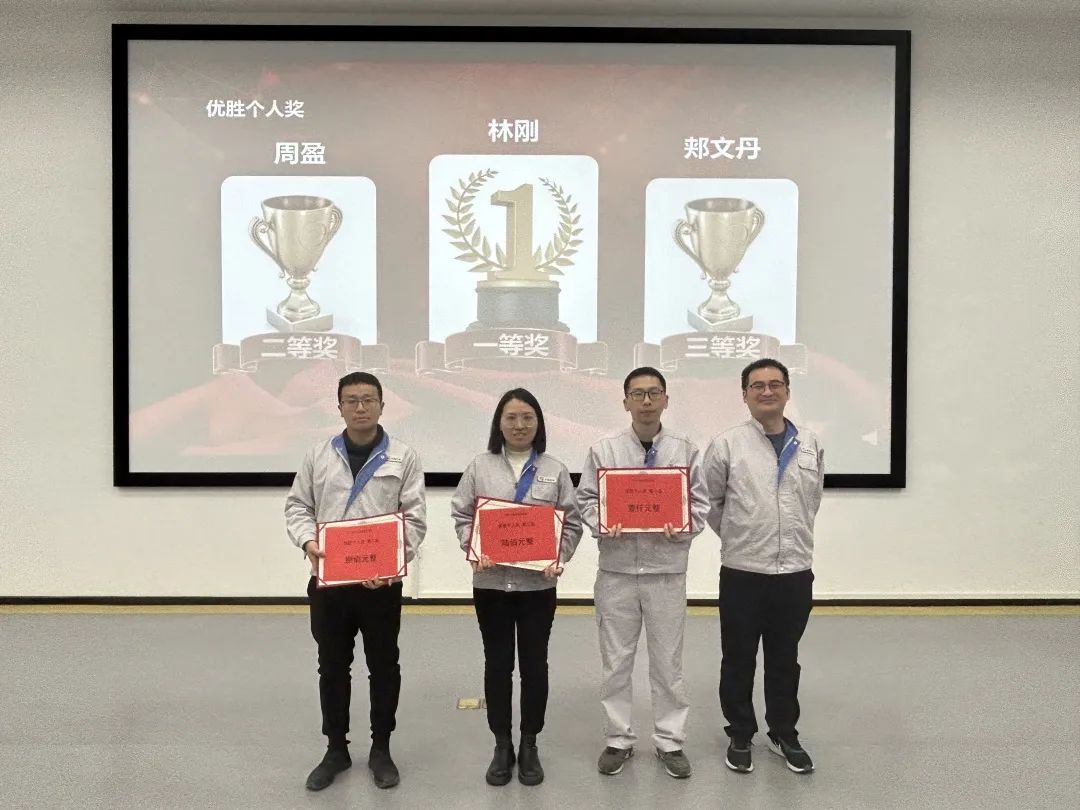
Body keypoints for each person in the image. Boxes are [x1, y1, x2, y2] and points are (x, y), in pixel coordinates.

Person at [285, 371, 427, 791]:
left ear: (382, 405)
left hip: (380, 586)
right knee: (332, 667)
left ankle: (381, 748)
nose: (360, 407)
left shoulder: (403, 457)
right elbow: (298, 506)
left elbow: (415, 518)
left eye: (368, 399)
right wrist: (308, 542)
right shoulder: (318, 456)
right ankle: (336, 749)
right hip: (329, 583)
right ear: (340, 406)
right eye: (352, 400)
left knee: (383, 666)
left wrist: (394, 563)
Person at [576, 367, 709, 779]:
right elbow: (586, 499)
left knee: (668, 662)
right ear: (625, 402)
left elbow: (701, 503)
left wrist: (682, 526)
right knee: (616, 661)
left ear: (666, 399)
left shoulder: (686, 450)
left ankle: (670, 741)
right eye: (638, 394)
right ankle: (618, 738)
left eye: (654, 393)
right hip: (616, 571)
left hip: (666, 572)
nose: (646, 401)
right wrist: (603, 522)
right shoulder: (604, 450)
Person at [451, 388, 583, 787]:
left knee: (534, 666)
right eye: (511, 417)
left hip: (536, 588)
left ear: (538, 423)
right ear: (499, 423)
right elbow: (462, 514)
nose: (520, 425)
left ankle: (529, 743)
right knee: (497, 665)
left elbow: (572, 523)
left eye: (527, 417)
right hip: (491, 585)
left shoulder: (555, 469)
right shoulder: (480, 467)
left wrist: (559, 556)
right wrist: (473, 548)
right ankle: (501, 744)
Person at [703, 358, 824, 775]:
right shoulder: (727, 444)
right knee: (738, 657)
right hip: (743, 571)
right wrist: (742, 536)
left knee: (784, 658)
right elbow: (711, 502)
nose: (767, 391)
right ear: (745, 395)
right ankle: (740, 732)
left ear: (788, 391)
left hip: (795, 571)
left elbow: (812, 500)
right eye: (758, 385)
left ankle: (783, 732)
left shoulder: (809, 442)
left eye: (775, 384)